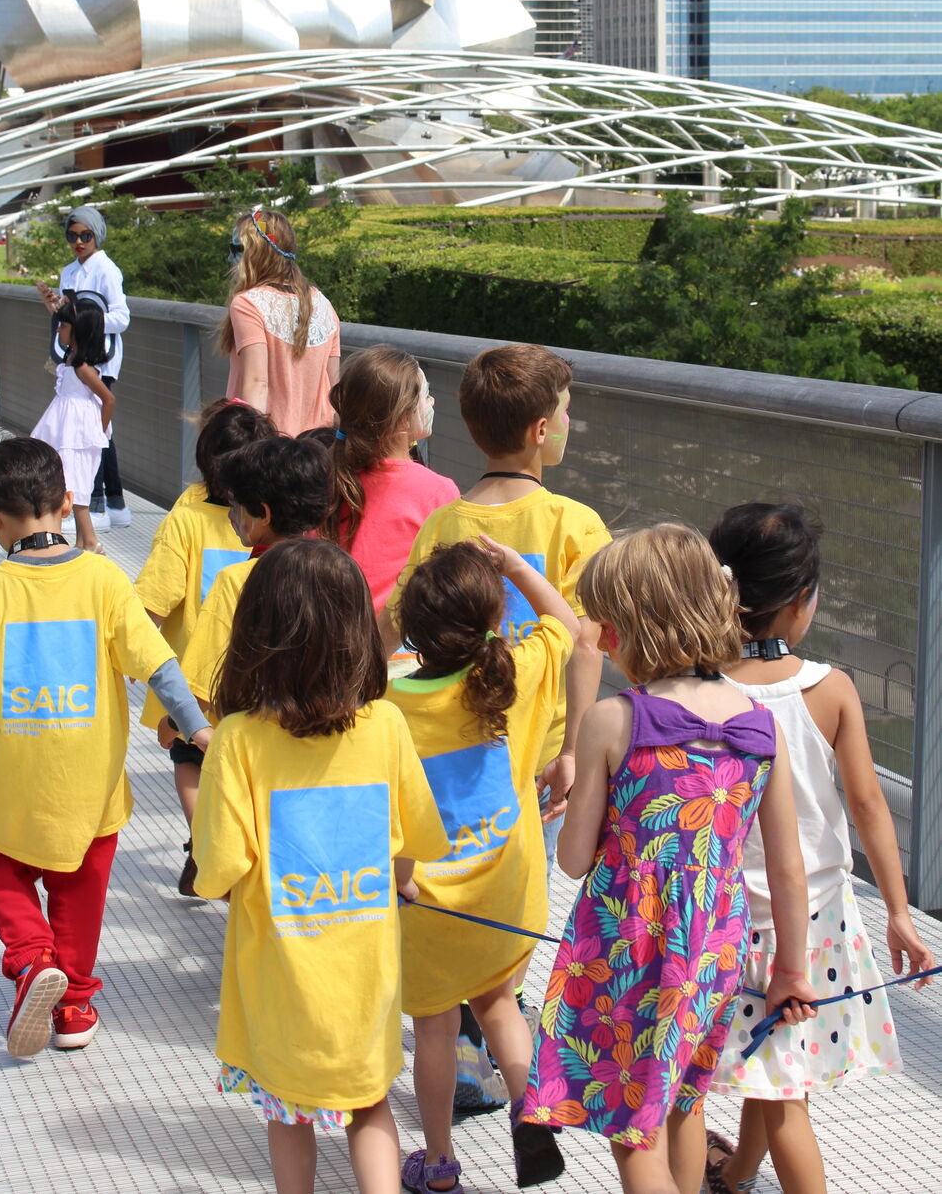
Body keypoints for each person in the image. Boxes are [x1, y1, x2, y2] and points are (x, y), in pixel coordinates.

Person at [522, 525, 815, 1194]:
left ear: (636, 630)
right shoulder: (759, 726)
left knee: (634, 1129)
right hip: (716, 945)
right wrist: (790, 969)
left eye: (609, 626)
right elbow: (787, 865)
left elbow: (571, 860)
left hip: (630, 946)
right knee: (683, 1101)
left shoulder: (614, 720)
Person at [385, 343, 610, 1110]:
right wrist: (577, 747)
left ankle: (469, 1049)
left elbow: (406, 623)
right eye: (569, 411)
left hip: (448, 748)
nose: (572, 422)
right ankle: (499, 1033)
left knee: (451, 883)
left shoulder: (446, 517)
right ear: (543, 429)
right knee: (509, 895)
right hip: (535, 747)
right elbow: (583, 640)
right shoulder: (575, 522)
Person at [192, 538, 450, 1194]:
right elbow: (416, 831)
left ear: (257, 633)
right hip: (366, 976)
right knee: (369, 1104)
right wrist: (401, 879)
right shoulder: (386, 725)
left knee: (289, 1112)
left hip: (280, 979)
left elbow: (218, 866)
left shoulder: (239, 739)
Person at [0, 438, 213, 1058]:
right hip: (92, 790)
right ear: (68, 502)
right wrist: (195, 726)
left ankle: (33, 959)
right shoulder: (103, 579)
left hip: (14, 786)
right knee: (80, 893)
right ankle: (73, 1007)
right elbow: (159, 665)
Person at [704, 503, 934, 1194]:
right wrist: (897, 908)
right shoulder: (830, 689)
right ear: (802, 603)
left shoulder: (701, 688)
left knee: (777, 1080)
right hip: (822, 920)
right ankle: (740, 1172)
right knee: (780, 1083)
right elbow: (867, 806)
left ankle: (737, 1173)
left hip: (738, 919)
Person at [388, 537, 582, 1193]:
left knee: (436, 1026)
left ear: (415, 628)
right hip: (507, 888)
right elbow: (569, 628)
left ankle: (439, 1162)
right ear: (496, 619)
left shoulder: (392, 706)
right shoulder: (517, 674)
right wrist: (519, 567)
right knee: (501, 1004)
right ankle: (533, 1117)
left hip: (426, 899)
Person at [135, 398, 277, 895]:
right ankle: (240, 848)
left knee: (191, 767)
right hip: (260, 676)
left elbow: (155, 595)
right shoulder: (269, 517)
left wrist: (129, 651)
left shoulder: (187, 515)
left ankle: (205, 844)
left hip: (199, 682)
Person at [176, 434, 334, 712]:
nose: (230, 515)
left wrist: (173, 724)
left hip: (250, 735)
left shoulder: (237, 580)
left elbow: (202, 684)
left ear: (263, 513)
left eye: (235, 506)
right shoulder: (340, 571)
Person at [323, 345, 458, 614]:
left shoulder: (331, 480)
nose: (432, 402)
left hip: (333, 637)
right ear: (403, 418)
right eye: (426, 396)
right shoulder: (438, 492)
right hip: (399, 648)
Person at [36, 205, 131, 530]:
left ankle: (96, 504)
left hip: (100, 358)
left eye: (85, 235)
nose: (79, 242)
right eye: (72, 236)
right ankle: (113, 502)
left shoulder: (106, 270)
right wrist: (54, 306)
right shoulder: (68, 271)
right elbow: (66, 315)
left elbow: (121, 317)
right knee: (100, 431)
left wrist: (85, 321)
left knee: (91, 431)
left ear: (97, 235)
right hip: (77, 355)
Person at [220, 205, 340, 435]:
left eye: (236, 249)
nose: (229, 257)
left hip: (273, 450)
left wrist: (250, 447)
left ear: (256, 253)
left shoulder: (247, 304)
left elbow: (257, 384)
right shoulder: (323, 304)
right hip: (318, 449)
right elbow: (335, 387)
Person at [30, 291, 115, 553]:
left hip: (77, 433)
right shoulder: (70, 362)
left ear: (78, 331)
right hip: (65, 429)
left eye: (64, 326)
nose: (58, 330)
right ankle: (82, 540)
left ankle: (89, 540)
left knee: (76, 485)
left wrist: (97, 431)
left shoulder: (83, 369)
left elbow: (108, 399)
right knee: (71, 483)